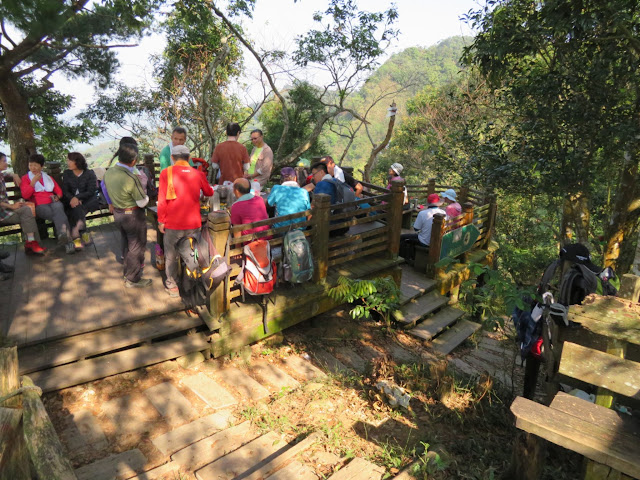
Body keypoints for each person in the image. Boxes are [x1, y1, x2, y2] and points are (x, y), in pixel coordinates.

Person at [157, 145, 214, 297]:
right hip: (193, 223)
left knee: (171, 255)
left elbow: (162, 200)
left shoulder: (165, 173)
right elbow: (209, 191)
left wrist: (161, 221)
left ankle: (172, 285)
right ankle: (192, 281)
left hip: (172, 223)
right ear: (189, 158)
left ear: (172, 158)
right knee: (192, 253)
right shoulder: (197, 173)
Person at [103, 141, 151, 288]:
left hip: (118, 213)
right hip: (132, 215)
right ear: (134, 161)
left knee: (128, 243)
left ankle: (129, 270)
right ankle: (132, 278)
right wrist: (147, 195)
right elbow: (142, 202)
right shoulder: (130, 177)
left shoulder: (109, 172)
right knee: (136, 246)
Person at [20, 153, 75, 254]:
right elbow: (25, 195)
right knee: (60, 214)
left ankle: (64, 237)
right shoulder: (26, 178)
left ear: (41, 166)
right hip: (40, 205)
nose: (33, 168)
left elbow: (59, 191)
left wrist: (57, 197)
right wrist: (33, 183)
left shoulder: (47, 177)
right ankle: (67, 240)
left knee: (58, 206)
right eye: (30, 165)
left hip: (53, 202)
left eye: (35, 165)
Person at [0, 152, 46, 257]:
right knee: (27, 215)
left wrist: (13, 174)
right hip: (2, 213)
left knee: (26, 210)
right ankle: (33, 245)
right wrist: (12, 206)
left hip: (5, 210)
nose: (6, 163)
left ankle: (31, 243)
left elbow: (7, 173)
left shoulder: (1, 174)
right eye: (4, 161)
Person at [62, 152, 98, 250]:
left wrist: (78, 198)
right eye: (67, 160)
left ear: (77, 162)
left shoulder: (89, 173)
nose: (68, 163)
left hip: (88, 200)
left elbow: (91, 190)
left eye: (70, 160)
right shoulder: (67, 173)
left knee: (76, 208)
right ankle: (83, 233)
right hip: (71, 201)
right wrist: (73, 199)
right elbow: (65, 190)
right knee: (76, 208)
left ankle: (76, 237)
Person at [399, 193, 445, 264]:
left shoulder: (423, 213)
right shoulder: (443, 213)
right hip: (439, 241)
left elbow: (416, 228)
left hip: (425, 241)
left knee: (403, 237)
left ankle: (406, 259)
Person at [310, 162, 349, 237]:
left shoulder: (321, 184)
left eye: (314, 174)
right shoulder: (336, 181)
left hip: (329, 229)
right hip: (344, 226)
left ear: (321, 172)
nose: (312, 177)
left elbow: (313, 207)